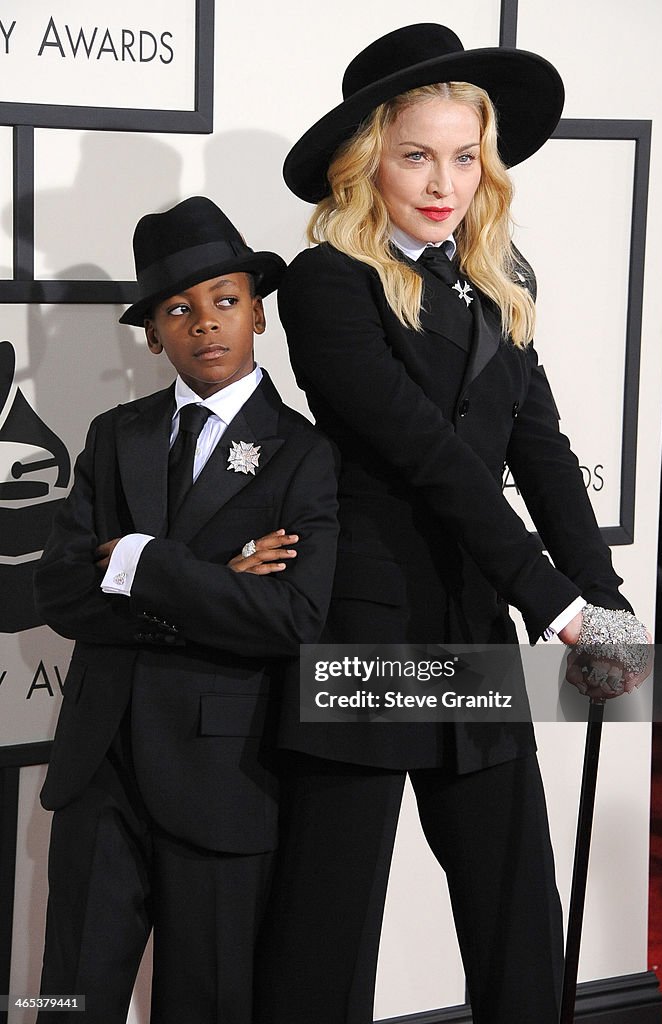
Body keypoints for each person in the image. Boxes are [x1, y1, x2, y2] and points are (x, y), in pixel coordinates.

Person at [254, 24, 650, 1024]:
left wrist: (602, 600)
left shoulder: (497, 282)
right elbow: (426, 455)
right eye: (415, 154)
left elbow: (542, 452)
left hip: (470, 622)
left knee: (517, 914)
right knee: (325, 934)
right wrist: (554, 600)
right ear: (367, 162)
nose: (444, 181)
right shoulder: (326, 284)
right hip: (367, 629)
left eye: (464, 155)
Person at [33, 196, 338, 1024]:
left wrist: (143, 563)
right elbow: (58, 591)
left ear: (260, 314)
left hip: (223, 776)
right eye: (180, 309)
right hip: (99, 770)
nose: (206, 324)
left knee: (207, 1004)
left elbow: (290, 618)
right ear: (153, 334)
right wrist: (216, 577)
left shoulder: (305, 454)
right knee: (66, 998)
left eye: (226, 301)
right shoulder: (114, 435)